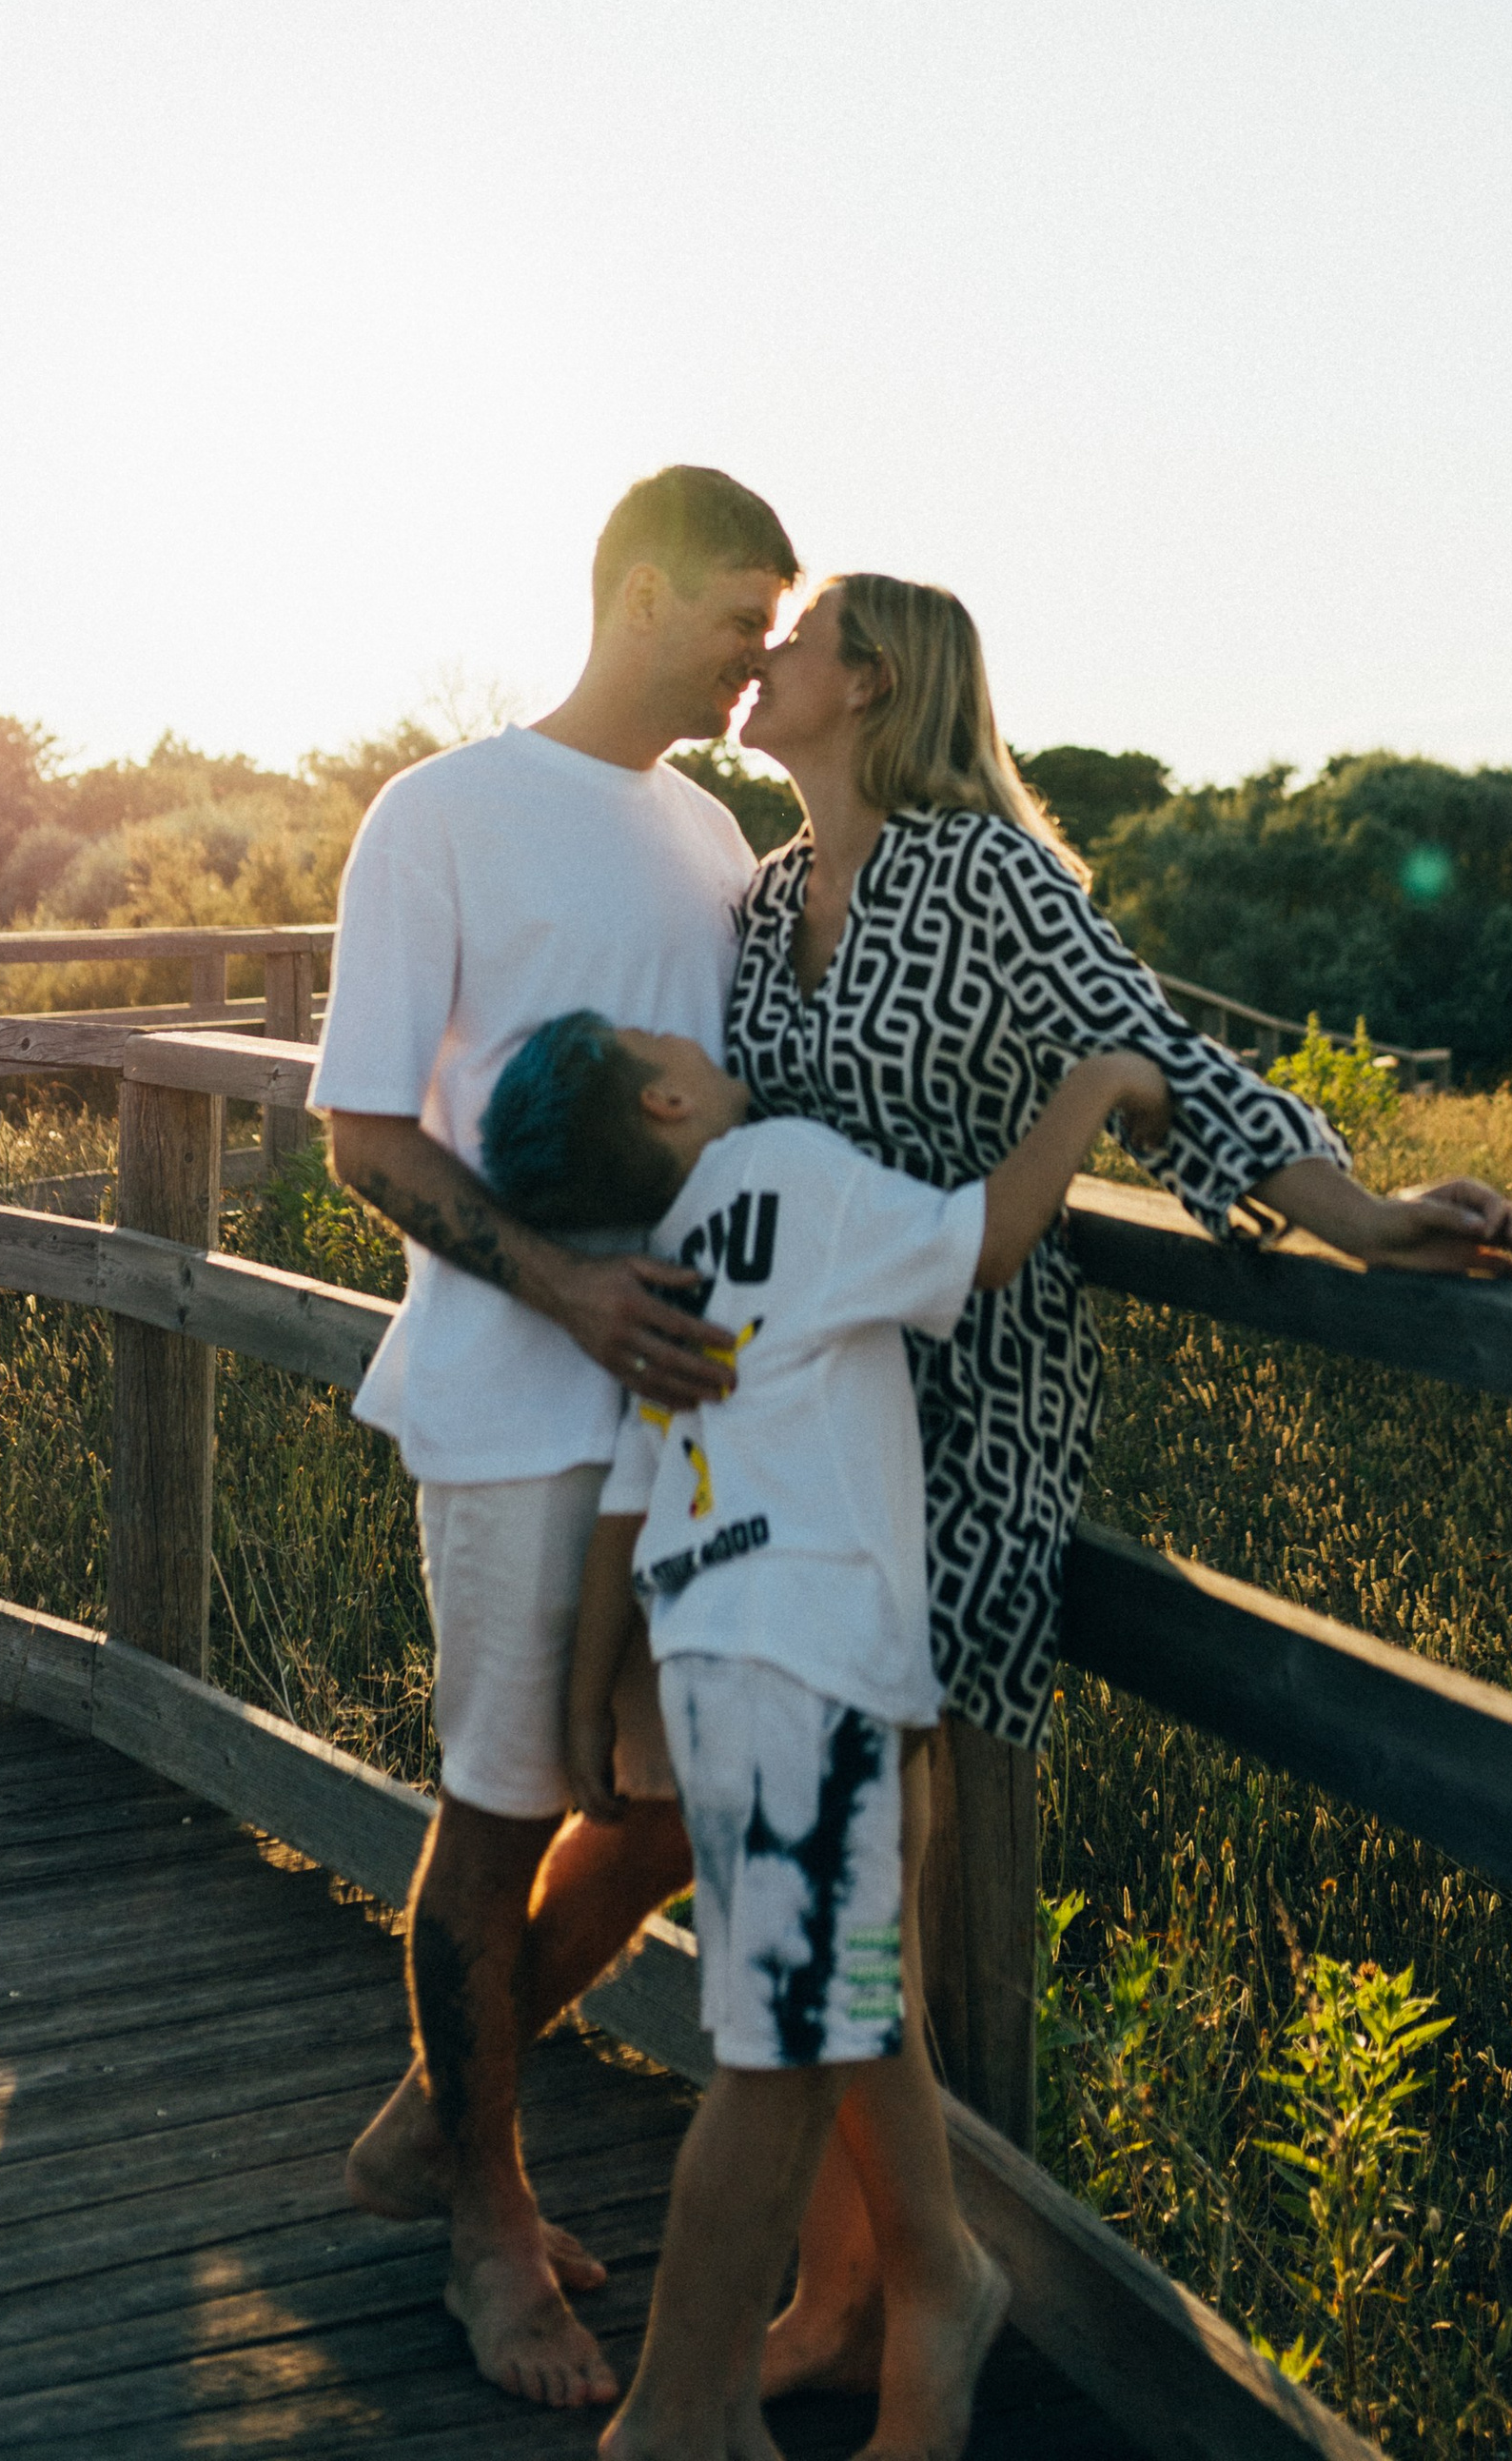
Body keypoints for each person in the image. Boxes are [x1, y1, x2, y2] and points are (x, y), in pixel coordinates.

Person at [730, 571, 1512, 2396]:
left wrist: (1367, 1218)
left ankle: (898, 2291)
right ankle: (846, 2283)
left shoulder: (993, 879)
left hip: (965, 1414)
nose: (756, 663)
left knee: (861, 1856)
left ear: (866, 680)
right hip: (800, 1416)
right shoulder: (769, 898)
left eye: (788, 641)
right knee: (847, 1860)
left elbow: (1167, 1061)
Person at [481, 1005, 1175, 2461]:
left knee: (827, 2015)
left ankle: (869, 2325)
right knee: (785, 2053)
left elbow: (628, 1490)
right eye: (661, 1032)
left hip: (720, 1664)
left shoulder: (667, 1265)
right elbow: (984, 1241)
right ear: (669, 1096)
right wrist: (1096, 1086)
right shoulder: (791, 1164)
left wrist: (585, 1695)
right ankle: (679, 2410)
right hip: (817, 1664)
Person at [312, 465, 799, 2413]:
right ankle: (483, 2225)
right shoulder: (441, 815)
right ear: (644, 588)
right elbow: (364, 1132)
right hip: (520, 1397)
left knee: (669, 1797)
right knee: (501, 1804)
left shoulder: (710, 834)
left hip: (694, 1410)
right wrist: (567, 1291)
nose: (763, 661)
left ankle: (434, 2116)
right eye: (740, 621)